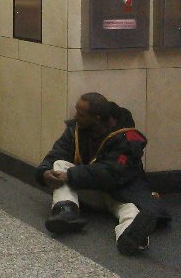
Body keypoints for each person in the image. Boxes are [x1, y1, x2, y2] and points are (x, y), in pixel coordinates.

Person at [36, 92, 170, 255]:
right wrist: (44, 172)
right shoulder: (75, 129)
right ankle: (66, 211)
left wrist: (71, 176)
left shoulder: (126, 139)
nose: (76, 117)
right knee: (58, 165)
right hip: (89, 187)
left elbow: (111, 173)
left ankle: (131, 238)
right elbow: (57, 153)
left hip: (120, 192)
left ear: (97, 118)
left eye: (81, 114)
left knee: (131, 211)